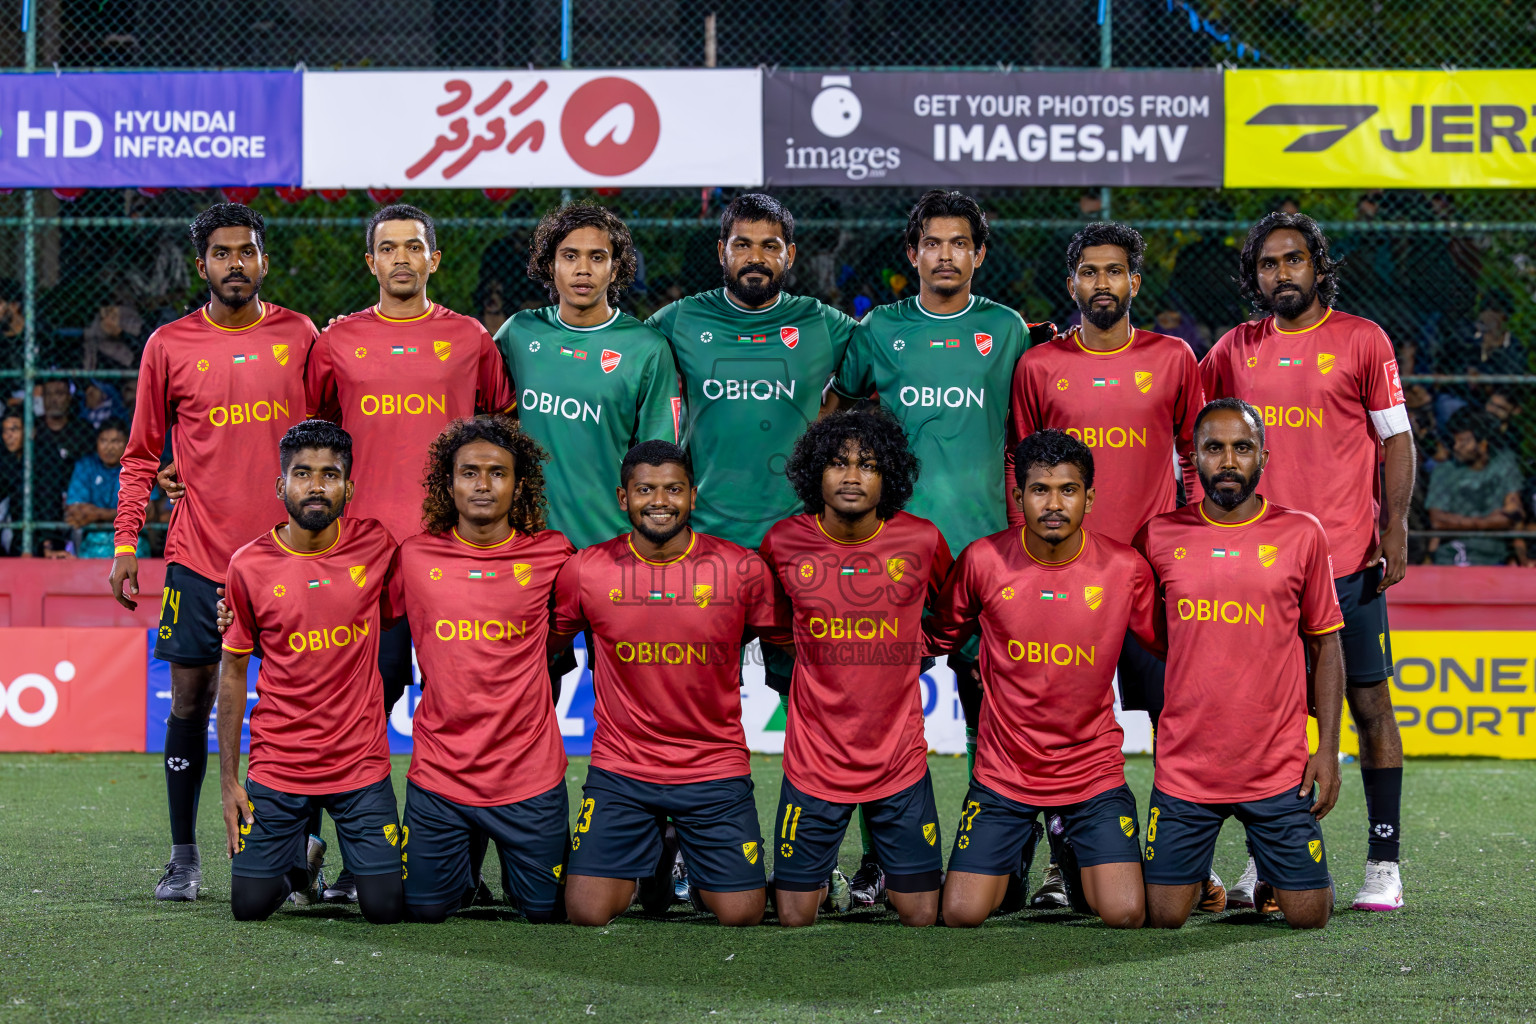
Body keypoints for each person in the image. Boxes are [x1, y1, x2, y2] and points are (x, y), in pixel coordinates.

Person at [1200, 211, 1413, 913]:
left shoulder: (1362, 339)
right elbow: (1187, 419)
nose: (1280, 274)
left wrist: (1399, 526)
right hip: (1265, 573)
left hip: (1349, 563)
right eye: (1267, 264)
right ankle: (1270, 861)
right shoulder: (1234, 350)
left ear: (1319, 267)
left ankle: (1384, 862)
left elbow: (1397, 441)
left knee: (1369, 703)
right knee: (1275, 717)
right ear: (1253, 277)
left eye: (1293, 260)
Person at [109, 202, 318, 902]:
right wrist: (125, 541)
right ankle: (184, 855)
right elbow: (141, 455)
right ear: (202, 265)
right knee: (191, 702)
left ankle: (293, 858)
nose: (237, 263)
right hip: (198, 559)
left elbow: (332, 443)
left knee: (298, 708)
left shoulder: (301, 336)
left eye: (248, 251)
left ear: (264, 261)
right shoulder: (168, 345)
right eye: (223, 253)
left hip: (289, 559)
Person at [827, 192, 1030, 906]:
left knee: (996, 717)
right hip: (894, 560)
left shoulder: (1006, 331)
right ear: (912, 254)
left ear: (979, 253)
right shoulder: (879, 330)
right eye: (932, 244)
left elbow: (1030, 439)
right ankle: (884, 863)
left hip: (988, 557)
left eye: (959, 243)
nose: (945, 255)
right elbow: (838, 416)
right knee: (879, 716)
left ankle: (1000, 865)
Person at [1008, 222, 1212, 909]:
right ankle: (1064, 871)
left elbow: (1198, 458)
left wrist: (1184, 549)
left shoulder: (1176, 357)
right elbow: (1020, 465)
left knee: (1172, 721)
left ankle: (1184, 860)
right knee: (1060, 723)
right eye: (1089, 272)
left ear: (1135, 281)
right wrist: (1028, 556)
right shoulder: (1039, 366)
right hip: (1064, 579)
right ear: (1072, 284)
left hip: (1150, 578)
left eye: (1115, 271)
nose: (1102, 284)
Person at [552, 441, 786, 928]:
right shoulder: (585, 570)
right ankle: (656, 857)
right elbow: (547, 644)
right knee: (586, 913)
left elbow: (789, 639)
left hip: (713, 766)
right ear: (623, 498)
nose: (660, 501)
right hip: (623, 768)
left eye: (673, 489)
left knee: (742, 916)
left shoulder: (742, 569)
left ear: (693, 497)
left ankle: (686, 853)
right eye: (645, 490)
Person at [929, 429, 1157, 928]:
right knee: (962, 913)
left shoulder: (1125, 568)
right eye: (1040, 490)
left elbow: (1172, 646)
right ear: (1019, 496)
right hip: (1004, 773)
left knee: (1124, 913)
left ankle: (1072, 850)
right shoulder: (983, 561)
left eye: (1068, 490)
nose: (1053, 504)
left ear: (1089, 497)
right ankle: (1019, 850)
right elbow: (936, 636)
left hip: (1091, 769)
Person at [1134, 398, 1345, 930]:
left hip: (1277, 768)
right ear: (1195, 458)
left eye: (1242, 448)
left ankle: (1274, 870)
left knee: (1309, 917)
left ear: (1263, 458)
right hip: (1187, 769)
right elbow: (1154, 635)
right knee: (1162, 917)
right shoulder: (1158, 535)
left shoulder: (1302, 533)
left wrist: (1327, 749)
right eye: (1214, 448)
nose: (1228, 460)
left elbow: (1325, 646)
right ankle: (1206, 880)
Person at [760, 409, 952, 928]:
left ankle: (885, 875)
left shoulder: (922, 540)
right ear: (813, 473)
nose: (851, 476)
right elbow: (773, 622)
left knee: (920, 915)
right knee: (794, 917)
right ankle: (820, 879)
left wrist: (918, 644)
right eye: (838, 463)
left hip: (898, 762)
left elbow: (952, 611)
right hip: (814, 762)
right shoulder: (782, 542)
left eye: (867, 464)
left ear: (888, 475)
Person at [216, 420, 403, 924]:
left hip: (358, 764)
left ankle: (316, 855)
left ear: (350, 488)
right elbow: (232, 672)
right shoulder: (248, 566)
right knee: (249, 908)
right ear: (281, 486)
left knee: (386, 908)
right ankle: (302, 865)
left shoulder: (377, 546)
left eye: (330, 474)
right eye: (303, 474)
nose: (316, 485)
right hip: (280, 763)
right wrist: (230, 780)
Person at [388, 417, 574, 923]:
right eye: (469, 472)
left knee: (548, 912)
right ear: (448, 484)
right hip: (441, 776)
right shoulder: (413, 556)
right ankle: (462, 874)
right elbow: (344, 605)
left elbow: (599, 615)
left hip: (528, 778)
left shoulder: (554, 554)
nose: (483, 485)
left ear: (519, 485)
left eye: (497, 473)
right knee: (422, 912)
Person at [645, 193, 859, 549]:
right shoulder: (682, 318)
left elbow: (872, 357)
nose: (755, 258)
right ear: (721, 252)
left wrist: (833, 405)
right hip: (703, 527)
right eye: (742, 244)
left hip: (797, 530)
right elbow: (629, 358)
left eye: (769, 246)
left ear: (789, 255)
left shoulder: (818, 320)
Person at [496, 201, 680, 550]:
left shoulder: (646, 348)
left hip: (609, 539)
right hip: (526, 540)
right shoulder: (520, 333)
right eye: (570, 256)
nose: (583, 269)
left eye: (597, 257)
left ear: (615, 269)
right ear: (550, 266)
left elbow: (658, 460)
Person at [1425, 408, 1524, 566]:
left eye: (1464, 441)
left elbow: (1512, 514)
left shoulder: (1505, 465)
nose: (1457, 447)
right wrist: (1487, 522)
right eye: (1455, 441)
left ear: (1483, 444)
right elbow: (1438, 520)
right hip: (1451, 554)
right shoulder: (1444, 470)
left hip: (1493, 556)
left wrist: (1458, 523)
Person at [65, 419, 156, 559]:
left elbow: (148, 512)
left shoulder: (139, 467)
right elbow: (75, 512)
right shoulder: (85, 465)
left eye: (116, 441)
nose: (109, 447)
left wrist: (95, 514)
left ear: (127, 443)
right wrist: (127, 515)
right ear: (96, 443)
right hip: (93, 544)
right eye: (103, 441)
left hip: (132, 543)